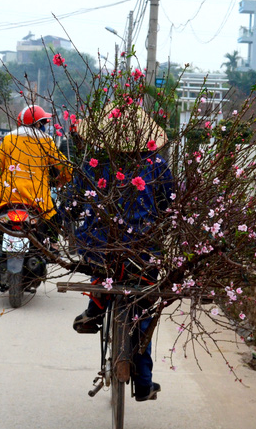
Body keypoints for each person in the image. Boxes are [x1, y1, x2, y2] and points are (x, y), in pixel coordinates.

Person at [68, 102, 173, 402]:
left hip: (99, 248)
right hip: (143, 251)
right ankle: (144, 382)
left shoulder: (95, 165)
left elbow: (74, 200)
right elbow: (169, 204)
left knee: (102, 273)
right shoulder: (156, 166)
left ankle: (94, 310)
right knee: (142, 306)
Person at [0, 105, 72, 260]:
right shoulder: (46, 141)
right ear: (39, 124)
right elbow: (62, 165)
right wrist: (64, 179)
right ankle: (53, 248)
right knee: (54, 216)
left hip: (7, 194)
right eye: (43, 123)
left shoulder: (9, 139)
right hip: (37, 196)